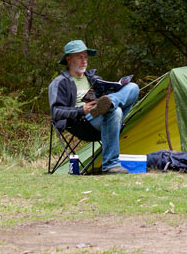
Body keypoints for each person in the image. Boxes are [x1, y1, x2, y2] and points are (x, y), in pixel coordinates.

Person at [48, 40, 139, 174]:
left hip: (104, 118)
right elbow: (56, 112)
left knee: (133, 87)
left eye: (85, 57)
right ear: (68, 59)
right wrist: (82, 109)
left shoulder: (94, 79)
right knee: (115, 112)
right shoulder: (60, 83)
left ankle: (110, 103)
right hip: (81, 122)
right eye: (79, 57)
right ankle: (110, 165)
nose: (84, 61)